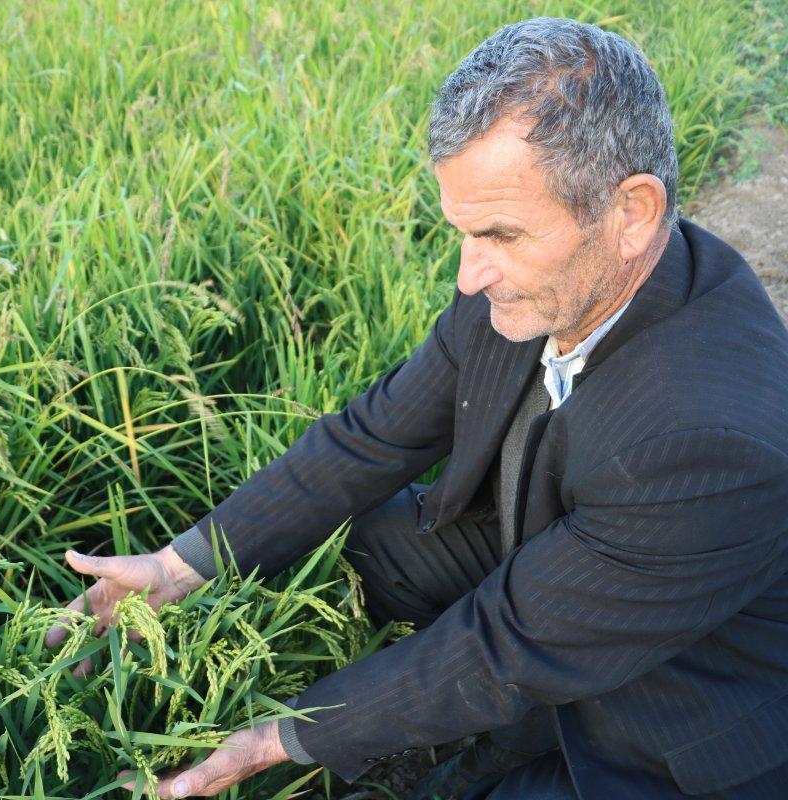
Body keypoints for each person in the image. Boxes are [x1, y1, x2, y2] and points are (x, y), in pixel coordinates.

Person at [43, 16, 788, 799]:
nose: (470, 275)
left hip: (679, 706)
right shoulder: (563, 273)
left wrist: (288, 733)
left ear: (631, 211)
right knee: (373, 547)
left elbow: (505, 646)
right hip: (559, 540)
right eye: (464, 231)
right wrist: (177, 565)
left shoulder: (707, 442)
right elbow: (372, 437)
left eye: (499, 234)